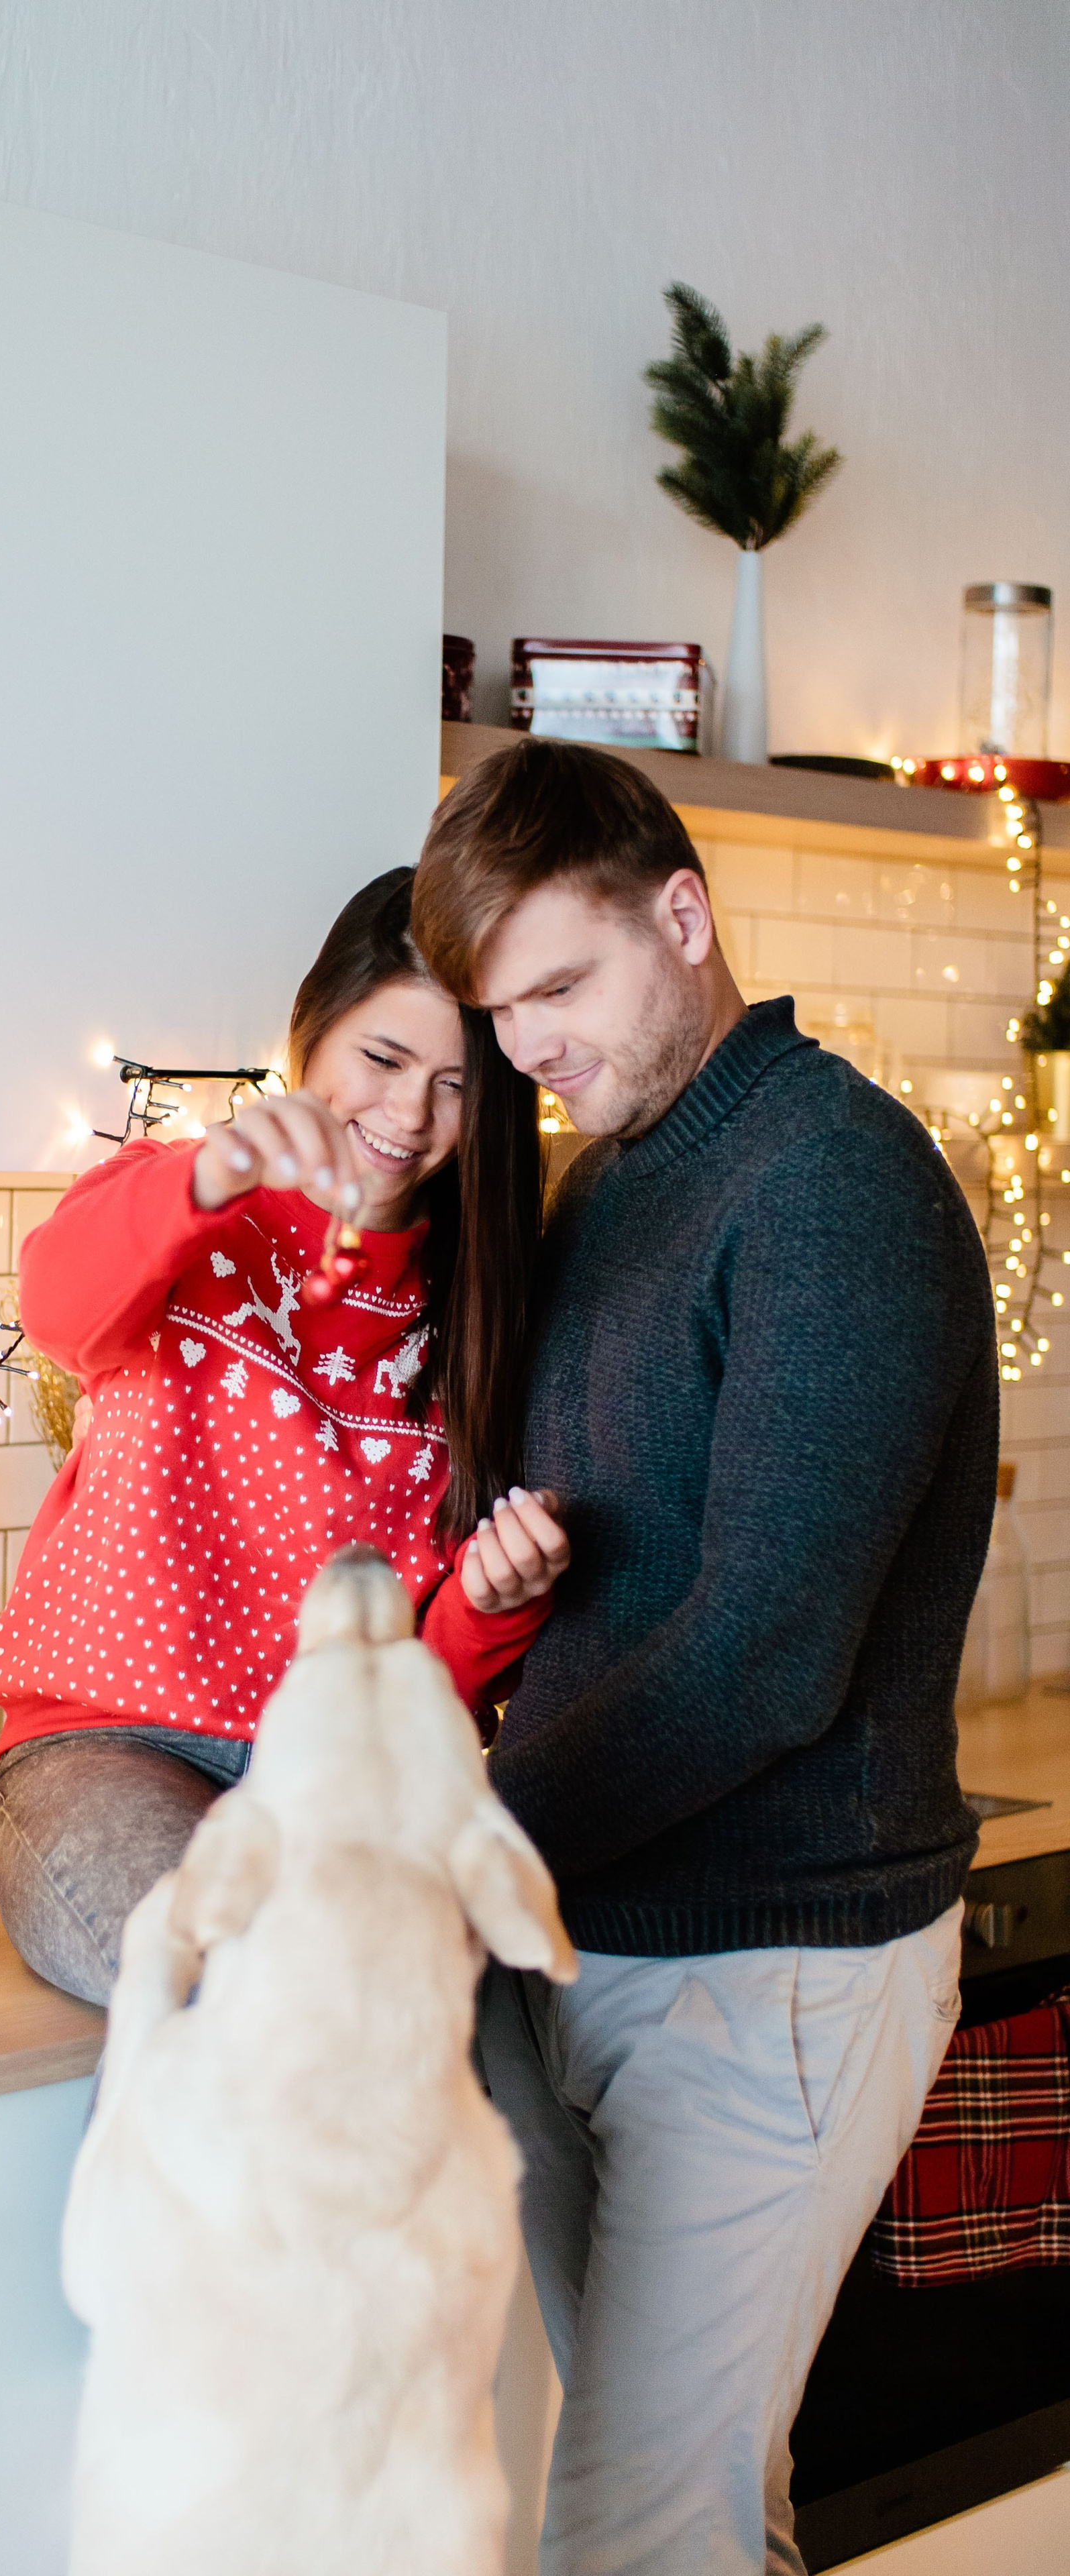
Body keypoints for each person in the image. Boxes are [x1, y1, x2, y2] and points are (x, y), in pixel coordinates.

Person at [411, 737, 993, 2576]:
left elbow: (764, 1658)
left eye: (560, 986)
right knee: (690, 2526)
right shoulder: (609, 1186)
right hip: (594, 1946)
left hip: (769, 1975)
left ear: (682, 915)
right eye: (501, 1010)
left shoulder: (828, 1182)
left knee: (635, 2539)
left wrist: (457, 1844)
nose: (527, 1045)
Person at [0, 867, 572, 2005]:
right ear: (313, 1031)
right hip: (109, 1750)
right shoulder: (189, 1203)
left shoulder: (486, 1310)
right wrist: (214, 1172)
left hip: (350, 1782)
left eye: (456, 1084)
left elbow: (427, 1682)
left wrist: (493, 1605)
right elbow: (55, 1309)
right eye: (382, 1060)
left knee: (469, 2045)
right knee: (248, 1994)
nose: (410, 1115)